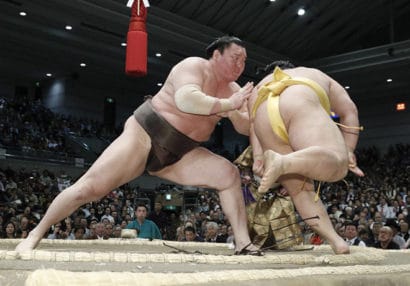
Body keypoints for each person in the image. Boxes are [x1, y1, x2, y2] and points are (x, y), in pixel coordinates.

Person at [16, 36, 261, 255]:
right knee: (88, 189)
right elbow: (186, 100)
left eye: (244, 61)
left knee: (228, 174)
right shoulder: (193, 66)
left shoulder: (233, 91)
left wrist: (243, 111)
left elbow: (242, 127)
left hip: (181, 153)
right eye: (235, 58)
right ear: (216, 54)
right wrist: (228, 105)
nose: (240, 66)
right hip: (146, 134)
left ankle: (242, 242)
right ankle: (36, 233)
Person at [248, 60, 365, 254]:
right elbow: (349, 111)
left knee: (301, 191)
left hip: (263, 114)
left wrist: (259, 157)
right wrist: (348, 150)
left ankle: (337, 242)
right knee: (339, 166)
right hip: (298, 98)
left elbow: (253, 126)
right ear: (291, 67)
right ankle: (284, 162)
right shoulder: (310, 72)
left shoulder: (260, 86)